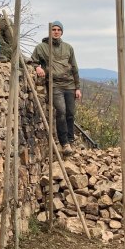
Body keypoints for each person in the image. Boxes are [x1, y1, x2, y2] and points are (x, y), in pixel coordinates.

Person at [30, 21, 82, 155]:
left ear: (62, 32)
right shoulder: (42, 47)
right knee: (61, 111)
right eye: (54, 29)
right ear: (50, 31)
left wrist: (78, 87)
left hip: (69, 85)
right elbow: (33, 60)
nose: (56, 32)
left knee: (70, 113)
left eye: (59, 30)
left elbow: (74, 67)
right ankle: (64, 143)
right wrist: (37, 67)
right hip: (54, 85)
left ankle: (70, 140)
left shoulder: (68, 48)